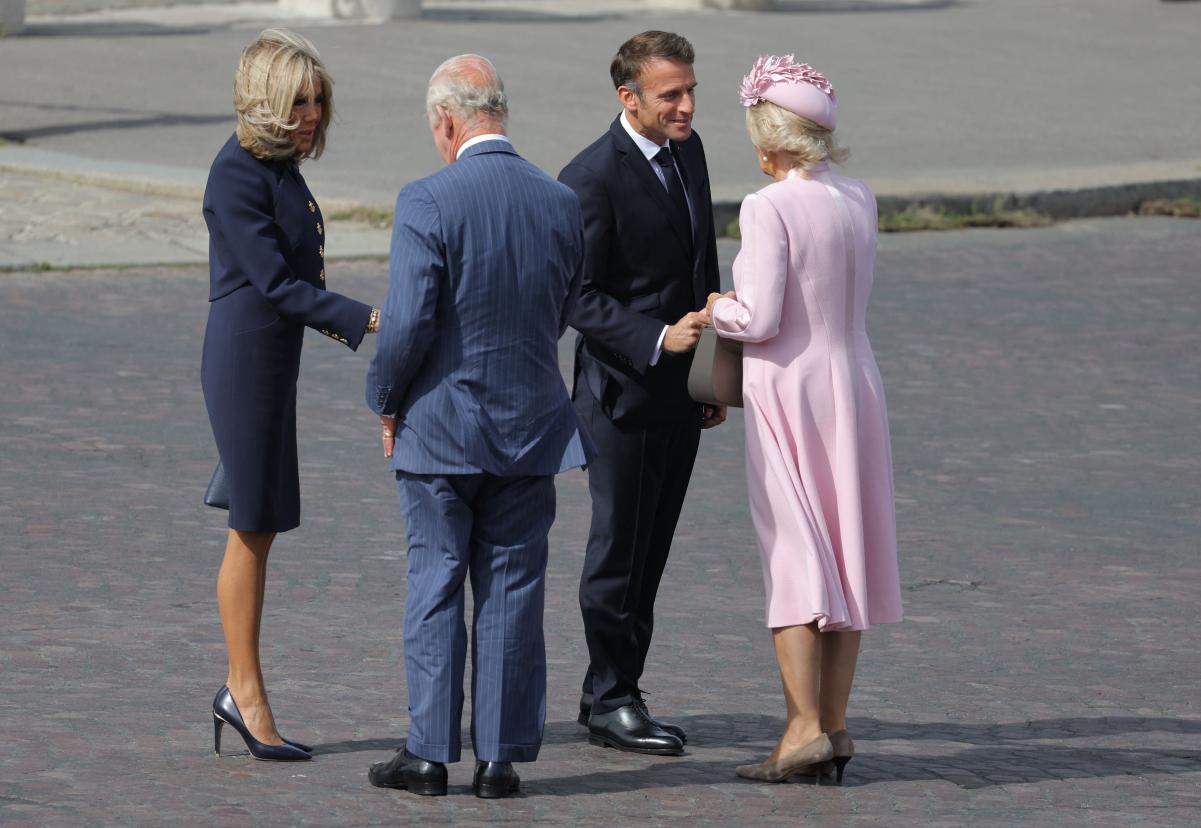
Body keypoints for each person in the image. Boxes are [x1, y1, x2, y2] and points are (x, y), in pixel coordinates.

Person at [364, 54, 593, 799]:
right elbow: (561, 308)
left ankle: (429, 751)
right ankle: (499, 758)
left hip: (441, 425)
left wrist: (385, 397)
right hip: (530, 426)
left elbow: (405, 325)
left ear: (446, 120)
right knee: (512, 588)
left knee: (435, 582)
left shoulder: (428, 200)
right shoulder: (560, 201)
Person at [707, 55, 903, 784]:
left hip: (792, 391)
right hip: (853, 383)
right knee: (845, 553)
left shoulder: (769, 206)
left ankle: (801, 728)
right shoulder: (859, 197)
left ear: (771, 142)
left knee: (794, 554)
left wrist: (712, 306)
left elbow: (757, 318)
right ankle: (837, 722)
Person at [202, 28, 378, 762]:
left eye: (317, 100)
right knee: (252, 522)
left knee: (263, 522)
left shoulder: (276, 167)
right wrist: (367, 320)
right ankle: (244, 692)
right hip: (246, 358)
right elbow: (276, 283)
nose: (311, 115)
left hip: (273, 358)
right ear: (266, 104)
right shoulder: (238, 173)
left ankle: (240, 689)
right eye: (297, 102)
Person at [558, 30, 723, 757]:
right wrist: (659, 340)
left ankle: (623, 687)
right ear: (628, 98)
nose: (687, 106)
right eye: (671, 96)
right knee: (617, 550)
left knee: (652, 550)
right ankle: (609, 697)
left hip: (681, 393)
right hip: (618, 396)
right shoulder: (588, 178)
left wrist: (712, 370)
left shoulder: (690, 151)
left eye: (690, 90)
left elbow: (703, 263)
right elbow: (576, 296)